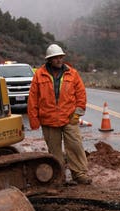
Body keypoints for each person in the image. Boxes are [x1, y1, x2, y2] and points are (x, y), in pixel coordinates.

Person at [28, 44, 91, 185]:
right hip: (48, 120)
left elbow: (81, 94)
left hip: (69, 118)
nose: (59, 60)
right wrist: (34, 120)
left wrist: (78, 113)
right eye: (55, 57)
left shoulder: (72, 74)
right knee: (54, 151)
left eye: (60, 57)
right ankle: (59, 176)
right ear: (49, 59)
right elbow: (33, 98)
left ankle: (79, 173)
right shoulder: (39, 75)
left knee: (75, 146)